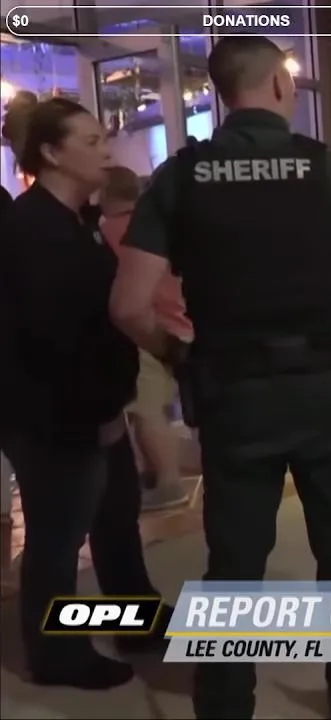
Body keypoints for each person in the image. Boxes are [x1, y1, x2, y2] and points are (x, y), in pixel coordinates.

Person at [109, 36, 331, 720]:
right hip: (328, 393)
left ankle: (226, 703)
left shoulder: (179, 177)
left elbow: (128, 306)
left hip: (235, 398)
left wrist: (180, 356)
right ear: (281, 86)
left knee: (234, 564)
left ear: (222, 93)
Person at [0, 97, 170, 690]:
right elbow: (50, 338)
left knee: (117, 520)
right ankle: (55, 655)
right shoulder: (32, 229)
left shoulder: (77, 221)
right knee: (58, 537)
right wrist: (93, 410)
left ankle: (134, 620)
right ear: (51, 153)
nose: (106, 151)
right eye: (92, 141)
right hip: (54, 418)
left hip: (95, 407)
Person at [100, 166, 193, 511]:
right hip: (181, 322)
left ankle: (168, 482)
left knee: (146, 410)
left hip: (148, 328)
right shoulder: (157, 225)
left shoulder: (111, 230)